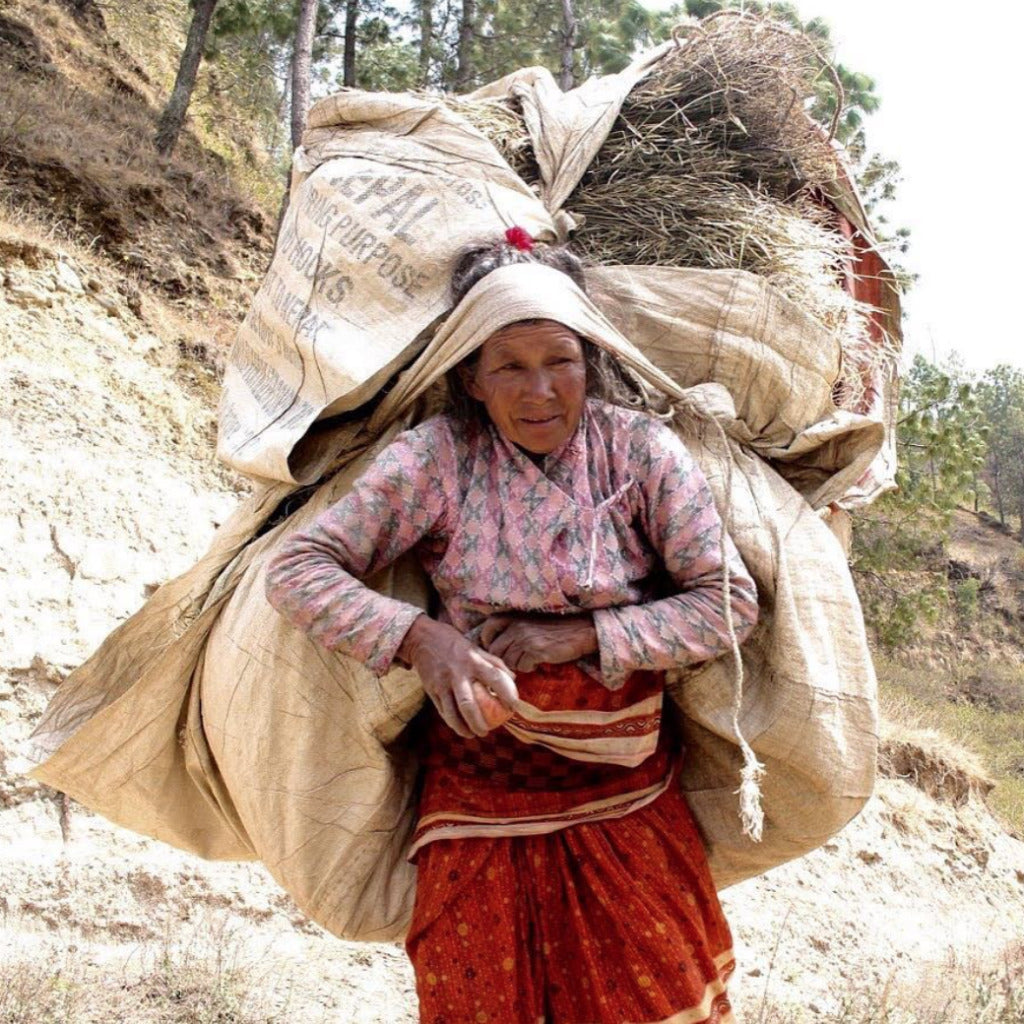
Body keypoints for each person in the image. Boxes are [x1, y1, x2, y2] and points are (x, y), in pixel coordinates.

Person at [265, 229, 759, 1024]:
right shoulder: (435, 459)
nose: (541, 393)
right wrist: (424, 641)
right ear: (470, 379)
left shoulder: (640, 453)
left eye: (560, 361)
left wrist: (587, 636)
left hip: (625, 794)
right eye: (510, 368)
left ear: (589, 361)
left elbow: (728, 602)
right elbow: (298, 569)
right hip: (478, 798)